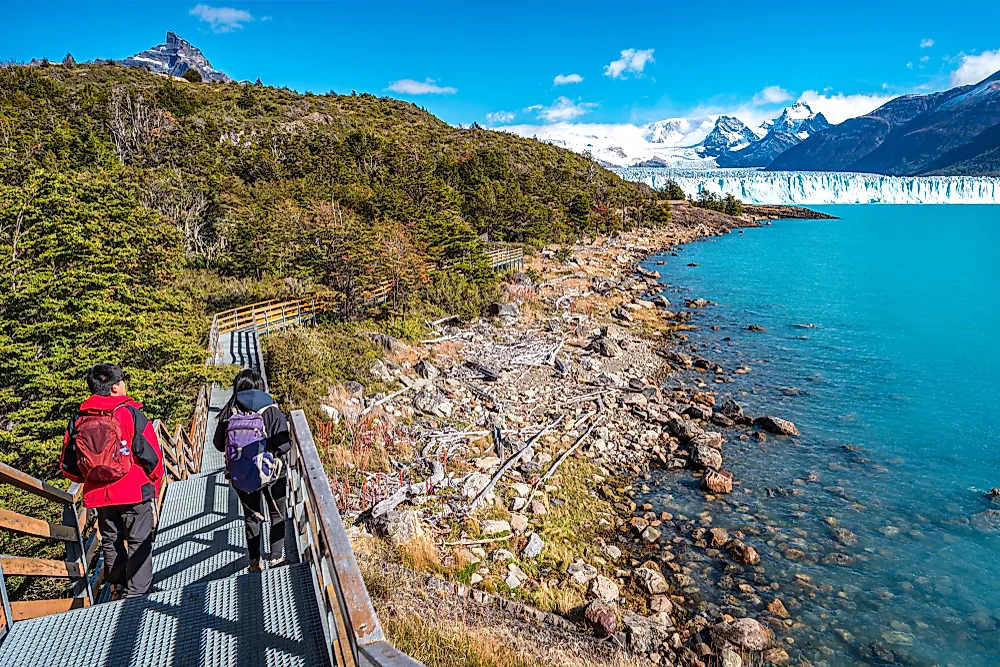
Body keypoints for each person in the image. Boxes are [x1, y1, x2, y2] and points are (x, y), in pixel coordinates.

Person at [60, 363, 163, 599]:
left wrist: (90, 477)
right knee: (139, 540)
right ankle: (137, 595)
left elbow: (67, 465)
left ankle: (117, 589)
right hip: (134, 489)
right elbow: (152, 456)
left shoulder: (78, 418)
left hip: (100, 495)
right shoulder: (128, 412)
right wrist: (154, 480)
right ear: (116, 387)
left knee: (111, 540)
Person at [213, 369, 291, 572]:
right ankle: (276, 558)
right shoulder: (271, 410)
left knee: (251, 517)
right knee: (277, 513)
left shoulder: (230, 412)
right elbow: (285, 445)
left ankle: (255, 562)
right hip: (272, 472)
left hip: (243, 474)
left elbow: (218, 444)